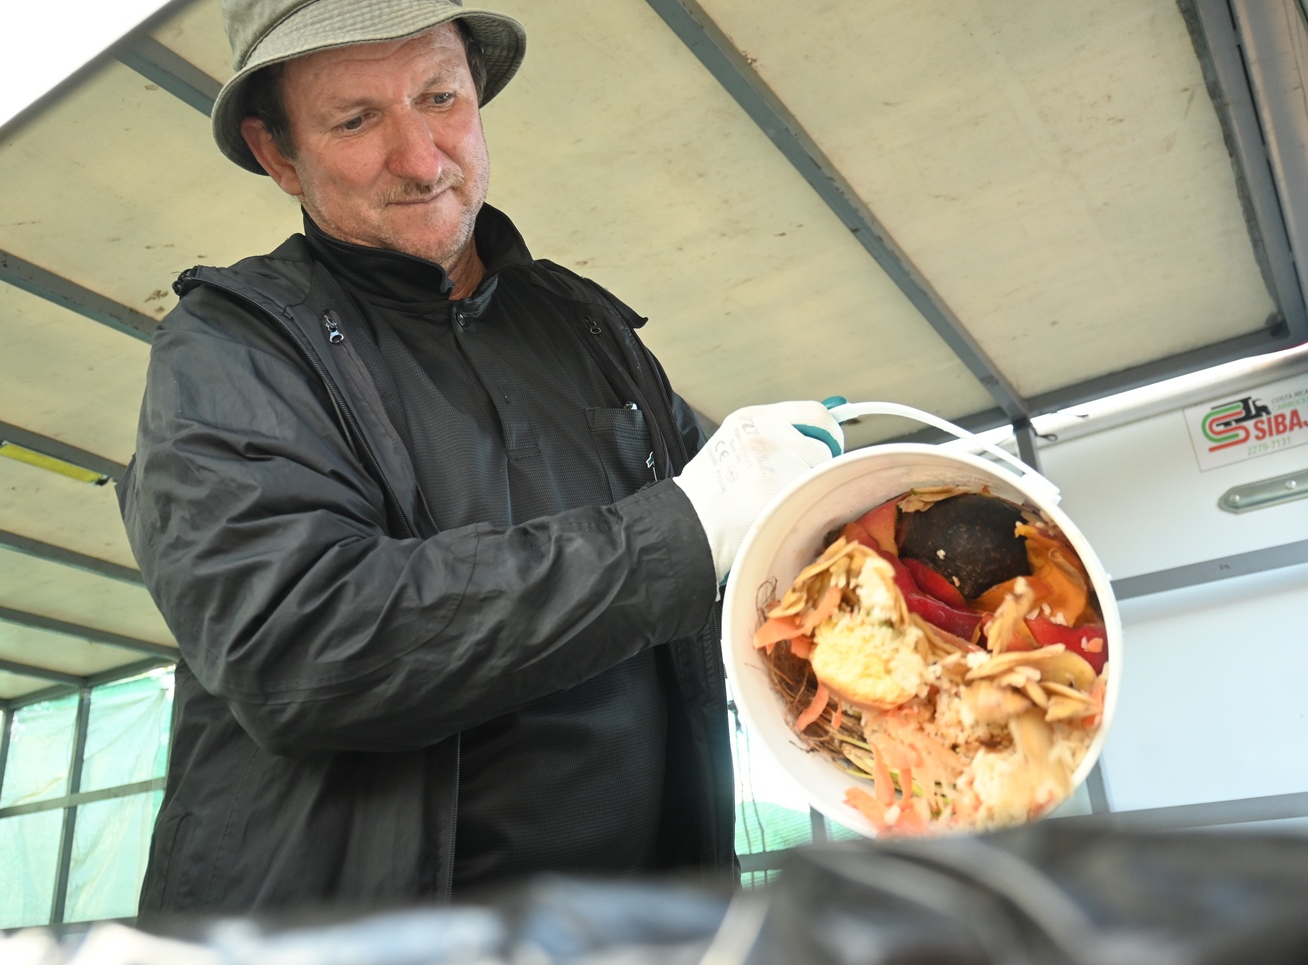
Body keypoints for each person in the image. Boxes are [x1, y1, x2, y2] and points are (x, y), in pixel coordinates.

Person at [119, 0, 843, 923]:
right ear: (277, 153)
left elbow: (757, 555)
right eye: (355, 119)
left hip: (647, 931)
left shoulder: (583, 327)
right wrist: (679, 534)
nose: (422, 158)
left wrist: (860, 526)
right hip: (355, 943)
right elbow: (300, 642)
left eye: (439, 96)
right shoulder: (234, 342)